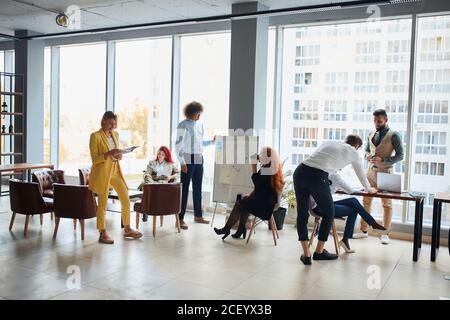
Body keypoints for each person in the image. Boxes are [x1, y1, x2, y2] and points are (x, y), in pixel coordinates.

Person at [293, 134, 376, 265]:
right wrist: (369, 189)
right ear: (357, 146)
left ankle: (306, 254)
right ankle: (319, 252)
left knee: (302, 214)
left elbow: (318, 159)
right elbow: (361, 174)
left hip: (300, 171)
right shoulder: (353, 152)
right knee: (329, 213)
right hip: (317, 176)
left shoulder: (330, 142)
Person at [88, 111, 142, 244]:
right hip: (102, 173)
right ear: (104, 121)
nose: (113, 126)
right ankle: (102, 232)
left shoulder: (115, 135)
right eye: (111, 123)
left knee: (126, 199)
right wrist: (108, 154)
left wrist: (119, 155)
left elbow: (116, 154)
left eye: (115, 123)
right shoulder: (95, 136)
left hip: (115, 171)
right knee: (103, 204)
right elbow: (95, 159)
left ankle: (127, 228)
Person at [354, 109, 404, 245]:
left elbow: (400, 155)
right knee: (366, 201)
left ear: (386, 120)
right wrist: (367, 156)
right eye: (375, 121)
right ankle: (363, 231)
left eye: (379, 121)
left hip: (386, 173)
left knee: (386, 204)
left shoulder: (394, 135)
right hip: (370, 173)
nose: (376, 123)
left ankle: (385, 233)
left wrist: (383, 161)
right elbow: (366, 150)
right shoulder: (371, 133)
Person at [213, 147, 284, 240]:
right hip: (268, 204)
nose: (259, 157)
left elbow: (258, 184)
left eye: (262, 155)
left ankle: (227, 229)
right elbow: (262, 190)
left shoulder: (266, 171)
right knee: (245, 202)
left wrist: (253, 166)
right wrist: (251, 195)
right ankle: (240, 229)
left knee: (239, 204)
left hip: (264, 208)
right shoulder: (272, 169)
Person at [309, 173, 387, 253]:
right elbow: (350, 190)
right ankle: (371, 225)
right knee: (354, 209)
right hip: (321, 208)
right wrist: (369, 189)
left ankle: (372, 224)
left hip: (317, 206)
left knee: (353, 201)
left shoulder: (322, 173)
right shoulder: (334, 176)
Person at [175, 101, 215, 230]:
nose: (199, 116)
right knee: (185, 189)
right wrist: (182, 162)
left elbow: (200, 142)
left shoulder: (200, 125)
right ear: (192, 113)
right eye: (198, 113)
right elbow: (178, 145)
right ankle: (180, 219)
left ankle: (198, 215)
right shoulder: (182, 125)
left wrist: (212, 142)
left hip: (199, 157)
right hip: (187, 157)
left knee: (198, 187)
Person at [138, 146, 180, 222]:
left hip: (162, 184)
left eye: (162, 154)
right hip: (151, 182)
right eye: (159, 154)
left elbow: (179, 173)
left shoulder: (170, 164)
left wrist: (171, 177)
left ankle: (151, 193)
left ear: (166, 155)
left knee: (151, 186)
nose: (160, 156)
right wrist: (150, 178)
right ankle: (151, 188)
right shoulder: (152, 163)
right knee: (147, 177)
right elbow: (147, 173)